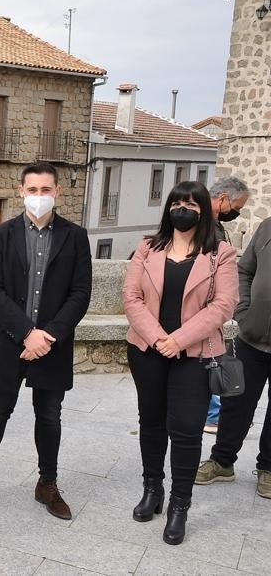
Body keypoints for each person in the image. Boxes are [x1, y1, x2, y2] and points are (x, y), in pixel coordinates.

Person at [0, 162, 92, 521]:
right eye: (32, 190)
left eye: (46, 190)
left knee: (49, 415)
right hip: (9, 341)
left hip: (52, 344)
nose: (39, 197)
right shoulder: (1, 235)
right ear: (21, 191)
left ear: (57, 192)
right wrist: (26, 333)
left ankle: (47, 484)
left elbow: (80, 293)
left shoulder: (75, 236)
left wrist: (46, 335)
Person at [124, 181, 237, 545]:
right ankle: (152, 489)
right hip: (147, 350)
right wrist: (159, 338)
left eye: (190, 204)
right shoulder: (147, 247)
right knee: (152, 423)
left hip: (197, 355)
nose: (182, 209)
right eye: (176, 203)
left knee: (187, 431)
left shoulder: (221, 253)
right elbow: (131, 296)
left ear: (204, 209)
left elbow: (223, 306)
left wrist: (178, 340)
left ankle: (179, 505)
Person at [195, 213, 271, 501]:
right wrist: (244, 313)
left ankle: (268, 468)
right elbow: (245, 271)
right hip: (251, 338)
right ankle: (222, 461)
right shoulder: (267, 227)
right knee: (234, 401)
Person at [203, 175, 249, 433]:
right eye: (238, 207)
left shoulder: (212, 223)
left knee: (213, 357)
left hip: (215, 304)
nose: (238, 213)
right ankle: (212, 415)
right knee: (209, 357)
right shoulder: (203, 224)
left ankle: (215, 412)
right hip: (207, 305)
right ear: (222, 199)